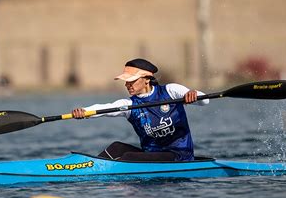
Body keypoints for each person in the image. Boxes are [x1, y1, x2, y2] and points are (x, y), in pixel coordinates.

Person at [72, 58, 209, 162]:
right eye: (126, 81)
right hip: (151, 156)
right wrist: (84, 112)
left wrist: (193, 94)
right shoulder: (129, 104)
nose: (127, 84)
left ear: (146, 79)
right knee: (116, 148)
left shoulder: (170, 91)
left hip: (180, 156)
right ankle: (91, 169)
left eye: (131, 80)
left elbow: (205, 101)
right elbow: (105, 108)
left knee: (129, 157)